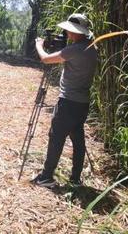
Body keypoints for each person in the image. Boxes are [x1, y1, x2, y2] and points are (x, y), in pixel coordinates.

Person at [32, 13, 98, 188]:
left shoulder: (74, 50)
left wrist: (40, 45)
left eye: (70, 30)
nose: (68, 33)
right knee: (78, 140)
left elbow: (46, 59)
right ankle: (75, 178)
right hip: (82, 103)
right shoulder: (92, 48)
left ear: (77, 32)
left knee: (56, 137)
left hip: (68, 102)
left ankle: (46, 177)